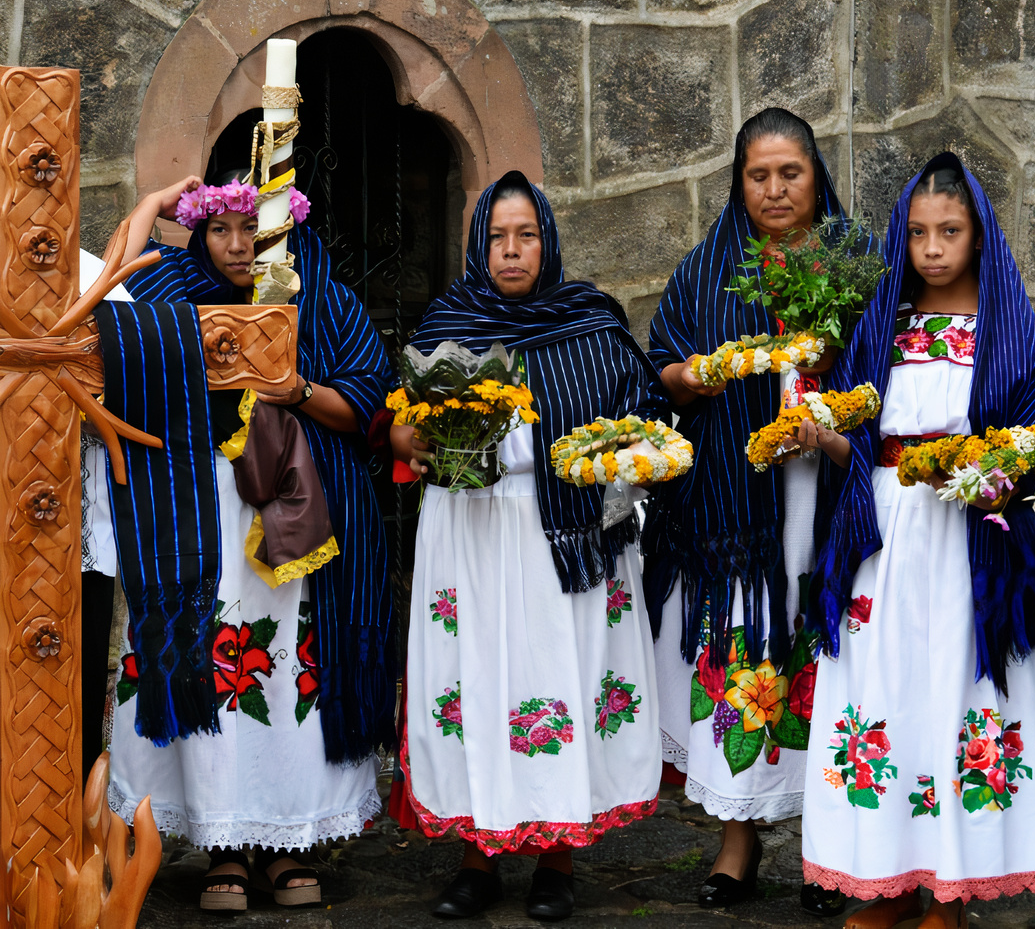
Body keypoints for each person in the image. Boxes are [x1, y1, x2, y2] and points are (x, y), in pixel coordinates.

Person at [105, 173, 396, 911]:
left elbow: (366, 400)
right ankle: (221, 844)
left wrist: (292, 389)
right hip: (197, 520)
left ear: (282, 230)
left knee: (276, 671)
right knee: (213, 664)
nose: (239, 245)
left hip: (292, 518)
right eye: (220, 229)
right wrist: (148, 208)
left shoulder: (320, 292)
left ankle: (283, 842)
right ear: (198, 235)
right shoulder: (173, 287)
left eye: (254, 228)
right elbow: (105, 295)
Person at [800, 153, 1035, 929]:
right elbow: (862, 444)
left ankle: (948, 892)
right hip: (884, 539)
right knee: (883, 692)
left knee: (955, 697)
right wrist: (823, 439)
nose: (931, 247)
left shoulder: (1009, 331)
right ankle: (882, 882)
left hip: (968, 546)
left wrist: (1003, 471)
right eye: (918, 232)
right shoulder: (878, 329)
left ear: (979, 236)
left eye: (949, 230)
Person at [391, 171, 664, 922]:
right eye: (498, 238)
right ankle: (478, 858)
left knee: (559, 686)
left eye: (527, 235)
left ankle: (556, 860)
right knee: (477, 683)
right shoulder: (448, 323)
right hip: (469, 535)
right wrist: (408, 435)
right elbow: (403, 428)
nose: (512, 252)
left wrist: (628, 460)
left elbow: (644, 416)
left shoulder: (592, 325)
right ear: (480, 246)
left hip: (566, 545)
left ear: (548, 240)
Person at [645, 107, 868, 915]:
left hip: (830, 488)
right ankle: (738, 842)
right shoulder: (707, 268)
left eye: (791, 173)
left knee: (822, 659)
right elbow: (658, 364)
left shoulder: (860, 264)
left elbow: (891, 375)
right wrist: (687, 380)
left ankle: (826, 848)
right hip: (736, 503)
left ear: (817, 177)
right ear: (739, 183)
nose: (775, 190)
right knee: (750, 658)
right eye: (758, 175)